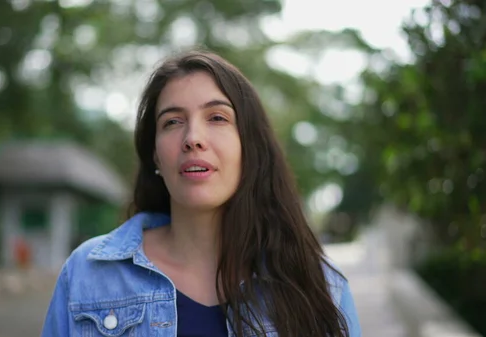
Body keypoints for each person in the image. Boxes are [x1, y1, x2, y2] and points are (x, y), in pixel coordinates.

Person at [41, 50, 361, 337]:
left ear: (249, 147)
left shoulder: (320, 285)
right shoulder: (87, 274)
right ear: (155, 155)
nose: (193, 138)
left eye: (217, 118)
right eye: (172, 122)